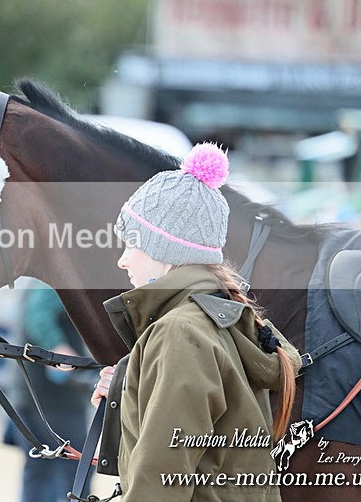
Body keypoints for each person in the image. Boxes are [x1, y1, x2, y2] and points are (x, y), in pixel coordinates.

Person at [91, 142, 301, 501]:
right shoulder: (221, 317)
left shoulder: (180, 333)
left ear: (166, 249)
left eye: (132, 244)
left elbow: (159, 482)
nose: (122, 261)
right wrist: (129, 392)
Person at [4, 281, 93, 502]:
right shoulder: (54, 281)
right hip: (54, 399)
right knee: (76, 471)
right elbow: (38, 315)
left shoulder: (42, 279)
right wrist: (58, 348)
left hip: (33, 394)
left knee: (39, 471)